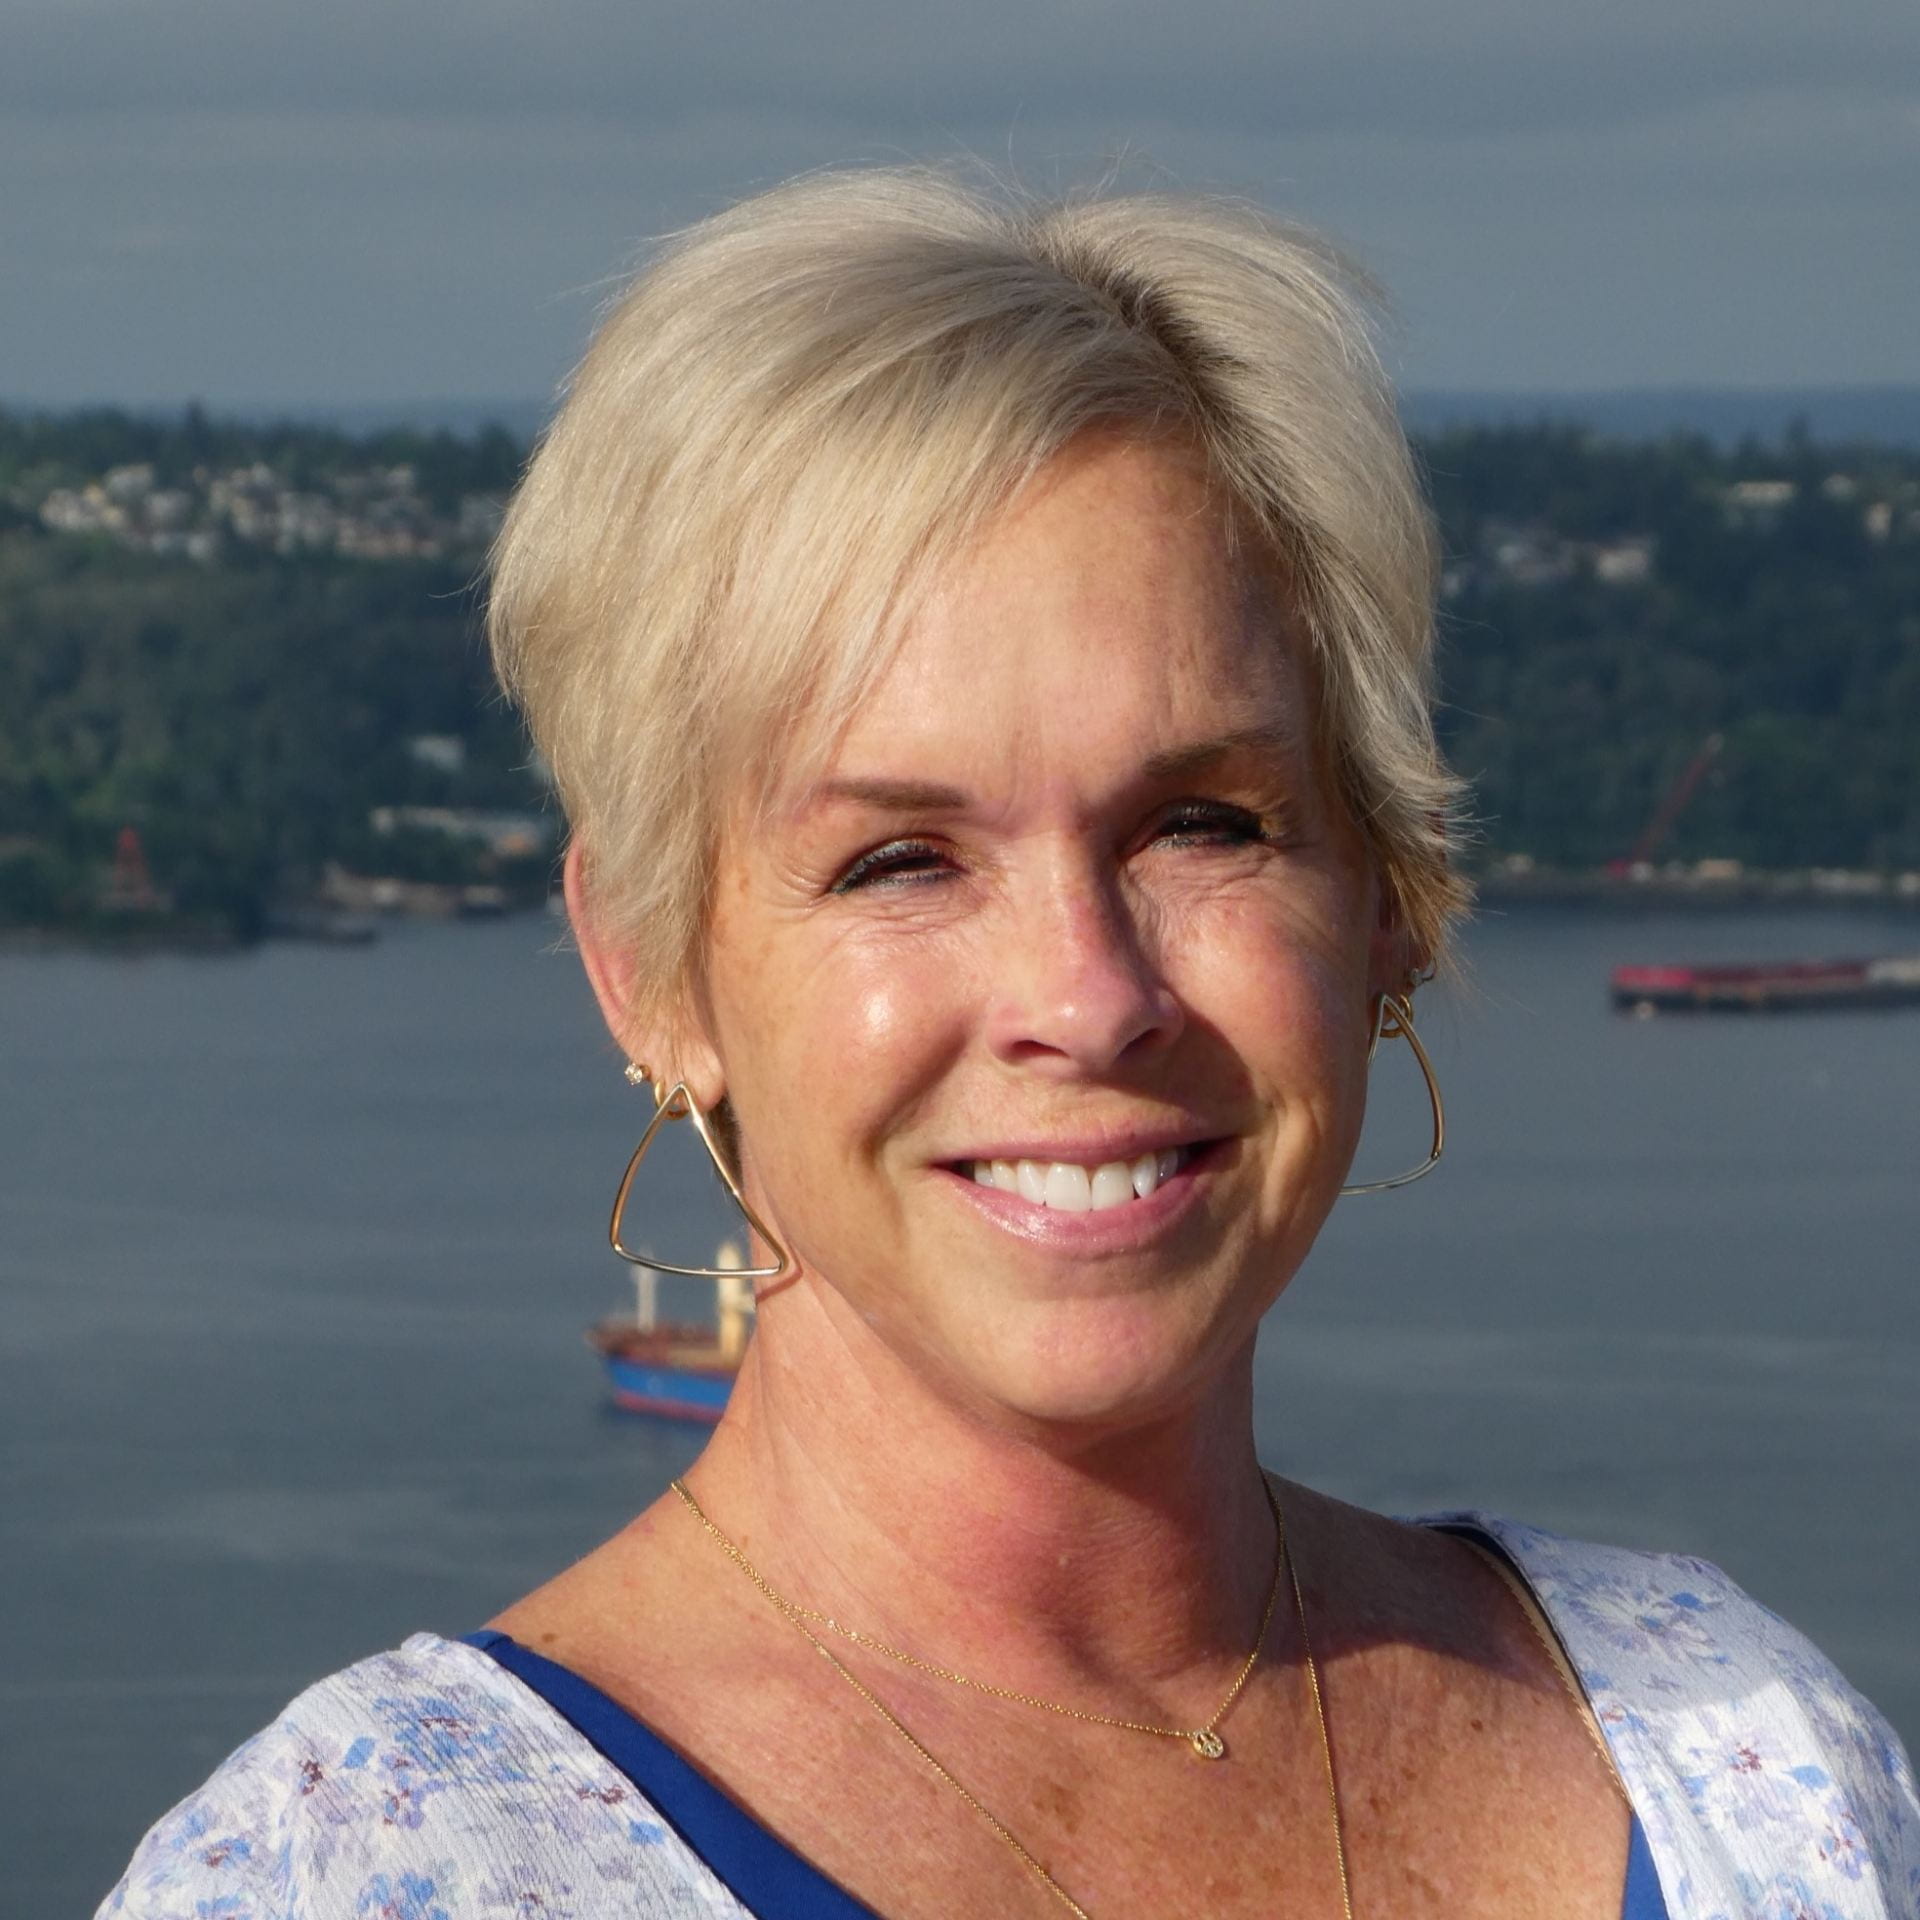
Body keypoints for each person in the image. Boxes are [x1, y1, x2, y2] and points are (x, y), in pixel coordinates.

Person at [101, 168, 1917, 1920]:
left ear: (1390, 889)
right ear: (649, 969)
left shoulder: (1747, 1760)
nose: (1089, 991)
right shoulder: (355, 1879)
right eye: (901, 857)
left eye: (1203, 822)